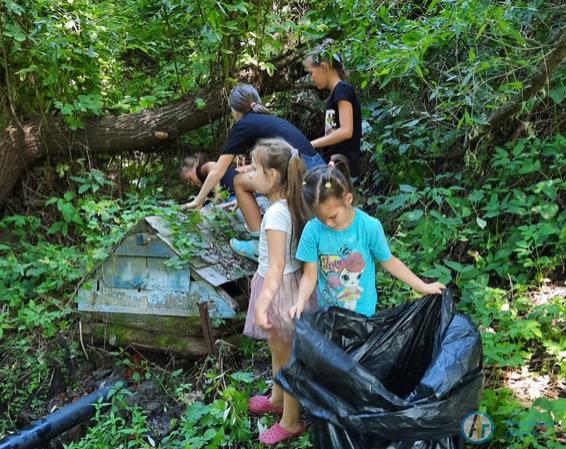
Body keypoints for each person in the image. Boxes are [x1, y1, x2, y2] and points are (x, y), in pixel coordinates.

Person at [181, 83, 325, 262]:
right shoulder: (269, 120)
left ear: (234, 110)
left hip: (302, 173)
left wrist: (198, 201)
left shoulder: (243, 125)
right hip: (320, 171)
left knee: (240, 182)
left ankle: (259, 245)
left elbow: (218, 170)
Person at [290, 155, 445, 320]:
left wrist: (423, 287)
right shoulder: (313, 230)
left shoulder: (369, 227)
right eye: (321, 218)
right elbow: (309, 274)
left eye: (333, 216)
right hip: (330, 316)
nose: (327, 223)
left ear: (348, 199)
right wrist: (300, 301)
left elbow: (389, 262)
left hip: (363, 315)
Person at [244, 138, 315, 445]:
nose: (249, 172)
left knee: (287, 358)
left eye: (254, 168)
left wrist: (262, 303)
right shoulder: (289, 202)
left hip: (279, 289)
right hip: (287, 284)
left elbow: (275, 266)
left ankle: (291, 420)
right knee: (279, 348)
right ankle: (276, 398)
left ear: (272, 175)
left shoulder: (275, 214)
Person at [304, 39, 362, 179]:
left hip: (342, 166)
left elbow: (346, 131)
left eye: (311, 72)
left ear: (323, 67)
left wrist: (311, 144)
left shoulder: (342, 89)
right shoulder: (334, 94)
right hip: (330, 163)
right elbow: (332, 132)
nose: (311, 78)